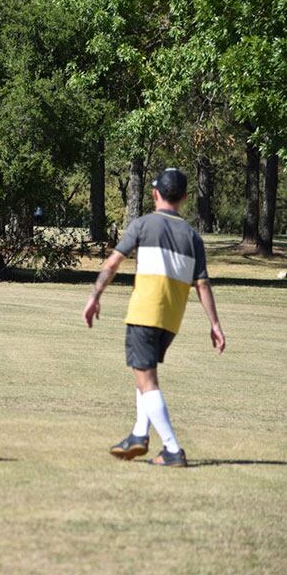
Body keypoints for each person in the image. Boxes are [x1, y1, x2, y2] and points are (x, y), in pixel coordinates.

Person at [82, 168, 225, 467]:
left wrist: (95, 296)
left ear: (154, 193)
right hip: (171, 320)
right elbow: (202, 284)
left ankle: (172, 449)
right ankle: (138, 434)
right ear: (185, 197)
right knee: (143, 373)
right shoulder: (194, 237)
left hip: (144, 313)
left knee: (147, 381)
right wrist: (214, 324)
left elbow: (112, 263)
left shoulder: (143, 225)